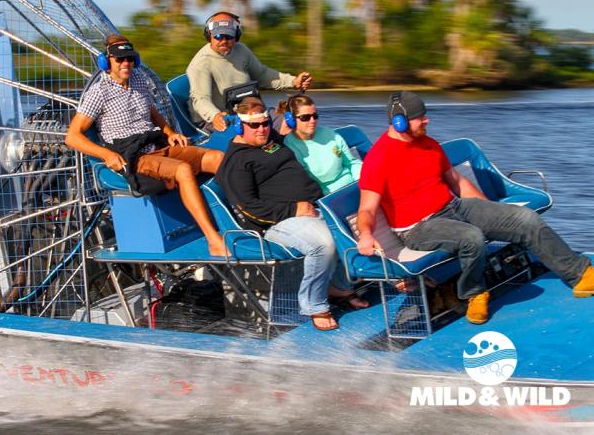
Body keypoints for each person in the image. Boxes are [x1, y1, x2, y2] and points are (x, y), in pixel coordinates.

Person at [356, 91, 594, 324]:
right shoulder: (379, 158)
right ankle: (473, 294)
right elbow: (366, 209)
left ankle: (580, 274)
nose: (427, 120)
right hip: (419, 228)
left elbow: (457, 182)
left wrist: (495, 215)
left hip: (455, 208)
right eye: (421, 116)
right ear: (400, 122)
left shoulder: (429, 144)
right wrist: (365, 234)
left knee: (524, 219)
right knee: (471, 237)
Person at [66, 34, 228, 256]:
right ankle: (213, 239)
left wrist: (170, 132)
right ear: (107, 62)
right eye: (120, 60)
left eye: (130, 59)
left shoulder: (139, 80)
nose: (125, 64)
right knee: (182, 170)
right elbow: (73, 137)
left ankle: (236, 219)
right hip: (136, 155)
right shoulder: (98, 93)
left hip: (157, 143)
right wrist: (106, 155)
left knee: (218, 158)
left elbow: (153, 113)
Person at [216, 96, 364, 331]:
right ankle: (314, 305)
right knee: (323, 243)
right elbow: (250, 208)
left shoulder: (269, 140)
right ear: (240, 126)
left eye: (265, 123)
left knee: (357, 221)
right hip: (279, 222)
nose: (262, 129)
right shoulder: (236, 163)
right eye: (255, 125)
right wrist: (294, 208)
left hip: (314, 205)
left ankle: (338, 286)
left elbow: (286, 123)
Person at [186, 12, 312, 132]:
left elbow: (262, 74)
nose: (224, 41)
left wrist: (293, 81)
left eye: (229, 36)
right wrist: (215, 116)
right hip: (215, 120)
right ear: (209, 36)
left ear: (236, 36)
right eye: (218, 36)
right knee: (261, 132)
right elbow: (200, 99)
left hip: (248, 113)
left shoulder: (241, 50)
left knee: (291, 123)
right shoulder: (201, 64)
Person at [282, 94, 362, 195]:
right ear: (291, 120)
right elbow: (303, 184)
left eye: (315, 116)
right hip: (324, 197)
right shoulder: (290, 146)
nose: (312, 121)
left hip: (353, 186)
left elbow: (351, 163)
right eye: (305, 117)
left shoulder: (330, 134)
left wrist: (362, 183)